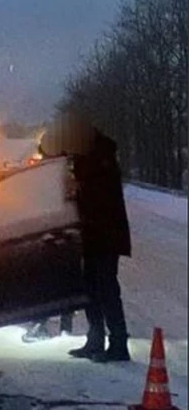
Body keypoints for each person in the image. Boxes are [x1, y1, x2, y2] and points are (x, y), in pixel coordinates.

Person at [40, 111, 132, 362]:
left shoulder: (100, 159)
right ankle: (96, 340)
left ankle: (118, 344)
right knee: (91, 289)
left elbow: (98, 198)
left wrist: (76, 192)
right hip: (93, 235)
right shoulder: (88, 156)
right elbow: (49, 151)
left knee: (106, 289)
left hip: (105, 235)